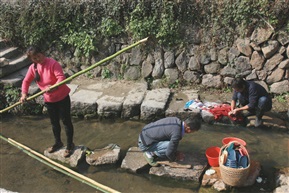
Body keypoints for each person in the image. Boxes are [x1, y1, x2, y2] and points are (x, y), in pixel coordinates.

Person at [20, 46, 75, 157]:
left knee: (66, 122)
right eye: (34, 58)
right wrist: (24, 94)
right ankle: (58, 143)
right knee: (54, 123)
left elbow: (61, 78)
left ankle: (70, 145)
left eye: (38, 56)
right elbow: (26, 81)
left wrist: (54, 86)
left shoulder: (53, 63)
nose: (37, 60)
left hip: (62, 97)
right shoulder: (33, 68)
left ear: (43, 53)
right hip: (49, 100)